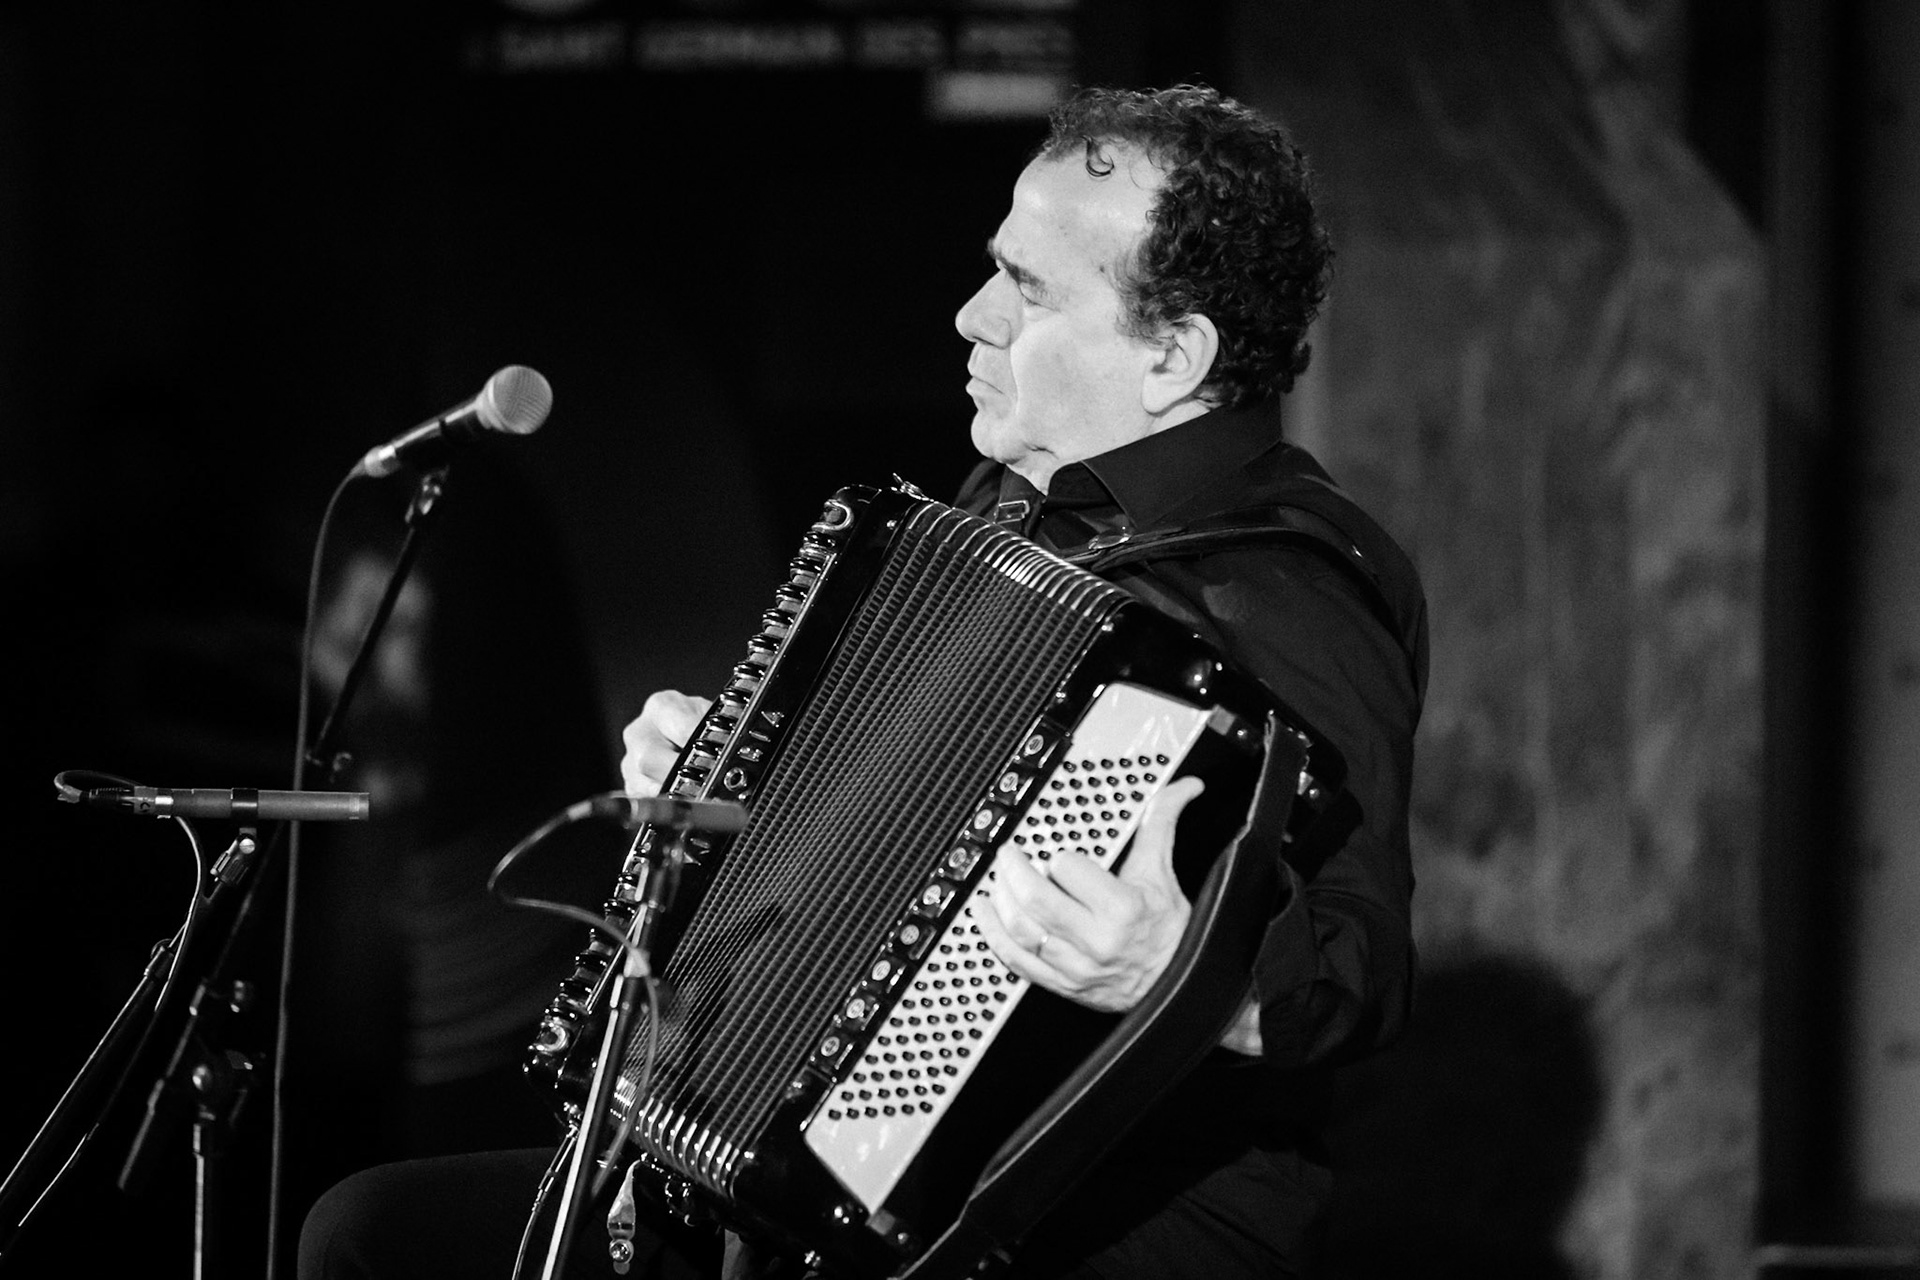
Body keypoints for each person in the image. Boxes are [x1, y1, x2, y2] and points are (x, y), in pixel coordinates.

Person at [300, 83, 1427, 1280]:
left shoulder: (1288, 587)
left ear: (1171, 354)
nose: (972, 314)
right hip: (833, 1166)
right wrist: (731, 770)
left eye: (1030, 289)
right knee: (369, 1233)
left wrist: (1188, 975)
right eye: (994, 269)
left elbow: (1364, 963)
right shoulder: (998, 516)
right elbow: (878, 822)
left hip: (1108, 1207)